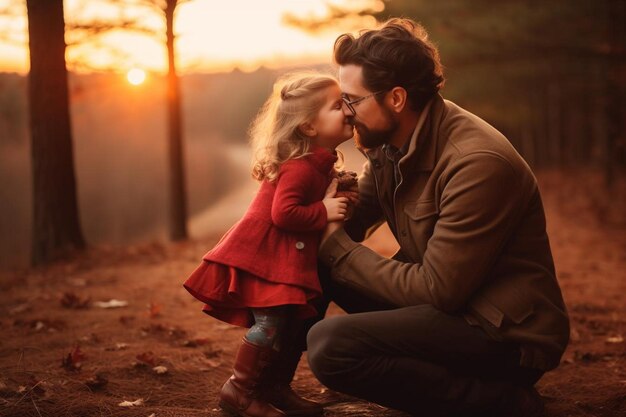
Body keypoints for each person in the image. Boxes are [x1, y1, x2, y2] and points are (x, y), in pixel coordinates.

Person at [305, 18, 570, 417]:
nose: (345, 112)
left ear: (395, 98)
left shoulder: (477, 163)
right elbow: (354, 218)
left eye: (352, 100)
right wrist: (307, 199)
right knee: (308, 254)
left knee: (330, 345)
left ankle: (500, 403)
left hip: (502, 334)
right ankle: (259, 386)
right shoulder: (390, 142)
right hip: (448, 310)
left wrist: (335, 246)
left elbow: (437, 289)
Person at [183, 72, 356, 417]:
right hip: (263, 257)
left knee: (287, 324)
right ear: (308, 127)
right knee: (270, 324)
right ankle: (240, 391)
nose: (349, 110)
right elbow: (284, 213)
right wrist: (323, 209)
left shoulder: (318, 163)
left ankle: (273, 388)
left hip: (282, 258)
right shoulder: (299, 168)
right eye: (338, 105)